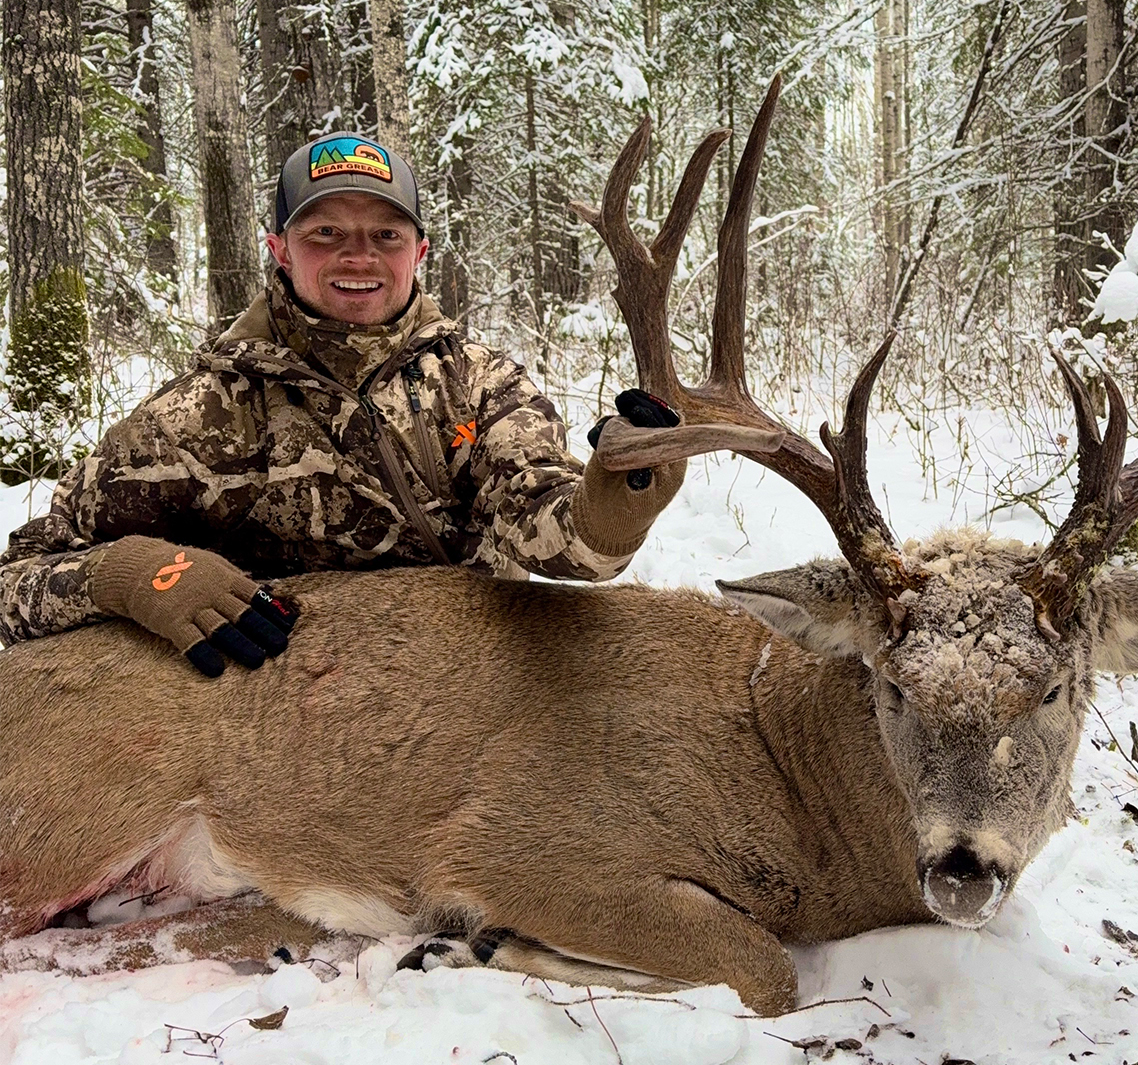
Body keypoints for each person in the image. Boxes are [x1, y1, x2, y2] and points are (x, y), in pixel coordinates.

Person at [0, 131, 691, 674]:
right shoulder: (193, 420)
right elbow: (13, 590)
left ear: (418, 251)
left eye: (385, 235)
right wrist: (132, 574)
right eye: (324, 232)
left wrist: (618, 493)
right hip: (274, 725)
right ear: (279, 249)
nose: (358, 257)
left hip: (474, 699)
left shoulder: (479, 387)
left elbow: (563, 544)